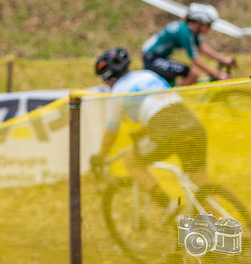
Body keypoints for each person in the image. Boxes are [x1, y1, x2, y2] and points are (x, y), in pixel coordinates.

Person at [90, 47, 209, 211]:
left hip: (165, 129)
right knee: (202, 188)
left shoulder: (118, 91)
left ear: (107, 79)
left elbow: (112, 131)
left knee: (131, 161)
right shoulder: (148, 74)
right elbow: (162, 105)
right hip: (191, 122)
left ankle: (168, 207)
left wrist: (101, 157)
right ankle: (228, 230)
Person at [142, 2, 234, 86]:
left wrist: (221, 59)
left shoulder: (189, 29)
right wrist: (217, 75)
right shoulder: (185, 33)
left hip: (158, 57)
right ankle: (173, 99)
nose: (210, 28)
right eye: (208, 24)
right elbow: (195, 60)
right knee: (193, 74)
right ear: (198, 22)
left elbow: (201, 47)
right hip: (152, 58)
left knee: (187, 74)